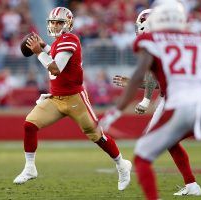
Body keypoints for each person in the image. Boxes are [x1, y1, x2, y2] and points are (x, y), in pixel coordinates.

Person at [99, 1, 201, 199]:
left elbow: (147, 75)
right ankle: (191, 184)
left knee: (142, 156)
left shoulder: (153, 40)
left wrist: (131, 104)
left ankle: (183, 186)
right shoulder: (195, 38)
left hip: (177, 104)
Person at [13, 7, 132, 191]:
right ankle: (30, 168)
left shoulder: (71, 39)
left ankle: (122, 165)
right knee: (29, 124)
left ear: (68, 24)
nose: (55, 25)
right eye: (52, 22)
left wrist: (38, 52)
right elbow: (54, 53)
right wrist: (44, 47)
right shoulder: (61, 41)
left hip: (75, 99)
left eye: (59, 22)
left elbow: (55, 68)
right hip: (55, 98)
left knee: (97, 136)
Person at [110, 8, 201, 196]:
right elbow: (160, 81)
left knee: (150, 143)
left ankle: (156, 191)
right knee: (169, 141)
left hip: (179, 100)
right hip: (185, 96)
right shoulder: (173, 40)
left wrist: (145, 100)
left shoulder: (155, 43)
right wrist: (136, 84)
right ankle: (192, 184)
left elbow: (153, 76)